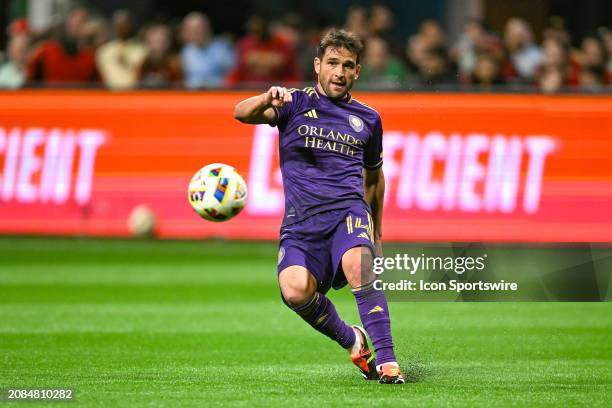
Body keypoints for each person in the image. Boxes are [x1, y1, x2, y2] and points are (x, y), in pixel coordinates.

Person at [233, 29, 404, 384]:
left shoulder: (368, 119)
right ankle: (351, 339)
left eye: (347, 66)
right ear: (317, 66)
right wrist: (267, 97)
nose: (339, 73)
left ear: (358, 72)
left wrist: (378, 230)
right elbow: (240, 113)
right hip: (301, 223)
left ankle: (388, 361)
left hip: (347, 213)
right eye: (332, 64)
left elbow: (374, 179)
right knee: (295, 290)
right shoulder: (292, 103)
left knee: (360, 265)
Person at [26, 7, 98, 86]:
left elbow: (97, 85)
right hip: (48, 96)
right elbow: (31, 81)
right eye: (74, 23)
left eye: (82, 22)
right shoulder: (46, 52)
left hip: (81, 97)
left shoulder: (91, 57)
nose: (77, 27)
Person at [180, 12, 235, 89]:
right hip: (191, 96)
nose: (196, 32)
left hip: (219, 94)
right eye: (192, 29)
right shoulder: (186, 51)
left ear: (207, 28)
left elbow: (233, 74)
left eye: (199, 28)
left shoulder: (222, 48)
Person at [96, 10, 146, 90]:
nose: (122, 28)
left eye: (125, 25)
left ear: (131, 25)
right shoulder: (104, 51)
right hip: (110, 96)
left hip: (135, 95)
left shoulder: (142, 50)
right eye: (118, 25)